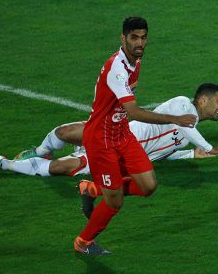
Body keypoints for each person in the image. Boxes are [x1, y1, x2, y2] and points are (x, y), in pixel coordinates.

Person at [69, 16, 197, 256]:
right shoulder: (117, 68)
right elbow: (134, 112)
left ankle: (93, 189)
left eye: (143, 37)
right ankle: (83, 242)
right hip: (102, 140)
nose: (140, 43)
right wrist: (175, 119)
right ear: (123, 38)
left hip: (122, 134)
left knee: (149, 186)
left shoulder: (135, 60)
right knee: (115, 202)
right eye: (134, 37)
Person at [0, 83, 218, 180]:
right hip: (116, 131)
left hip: (117, 155)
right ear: (203, 99)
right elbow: (186, 127)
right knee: (64, 132)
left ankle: (3, 163)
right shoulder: (182, 105)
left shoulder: (186, 138)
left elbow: (160, 155)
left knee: (60, 168)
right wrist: (210, 148)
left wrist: (191, 155)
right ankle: (38, 151)